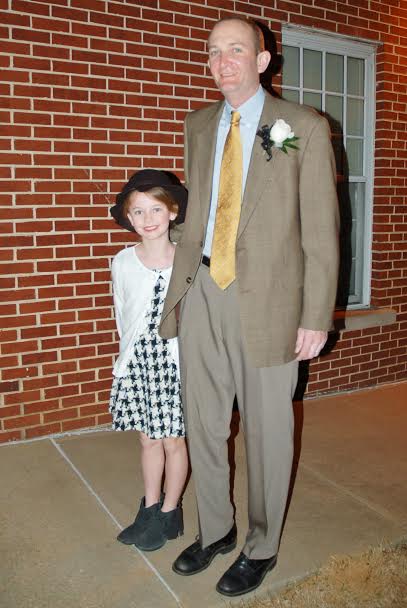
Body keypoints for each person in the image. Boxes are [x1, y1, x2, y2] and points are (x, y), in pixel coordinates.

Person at [159, 15, 339, 596]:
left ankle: (261, 545)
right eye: (214, 51)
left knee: (266, 431)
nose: (223, 61)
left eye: (236, 50)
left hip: (271, 302)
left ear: (263, 61)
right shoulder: (198, 123)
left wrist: (315, 315)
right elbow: (200, 209)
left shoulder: (301, 126)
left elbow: (321, 229)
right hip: (202, 291)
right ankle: (215, 529)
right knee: (204, 422)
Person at [108, 169, 189, 552]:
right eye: (138, 211)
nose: (148, 218)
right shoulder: (123, 262)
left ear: (172, 212)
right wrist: (125, 366)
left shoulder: (188, 261)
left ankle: (170, 513)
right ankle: (150, 507)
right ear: (129, 217)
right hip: (141, 364)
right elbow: (122, 314)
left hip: (176, 367)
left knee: (174, 441)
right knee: (148, 440)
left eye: (156, 209)